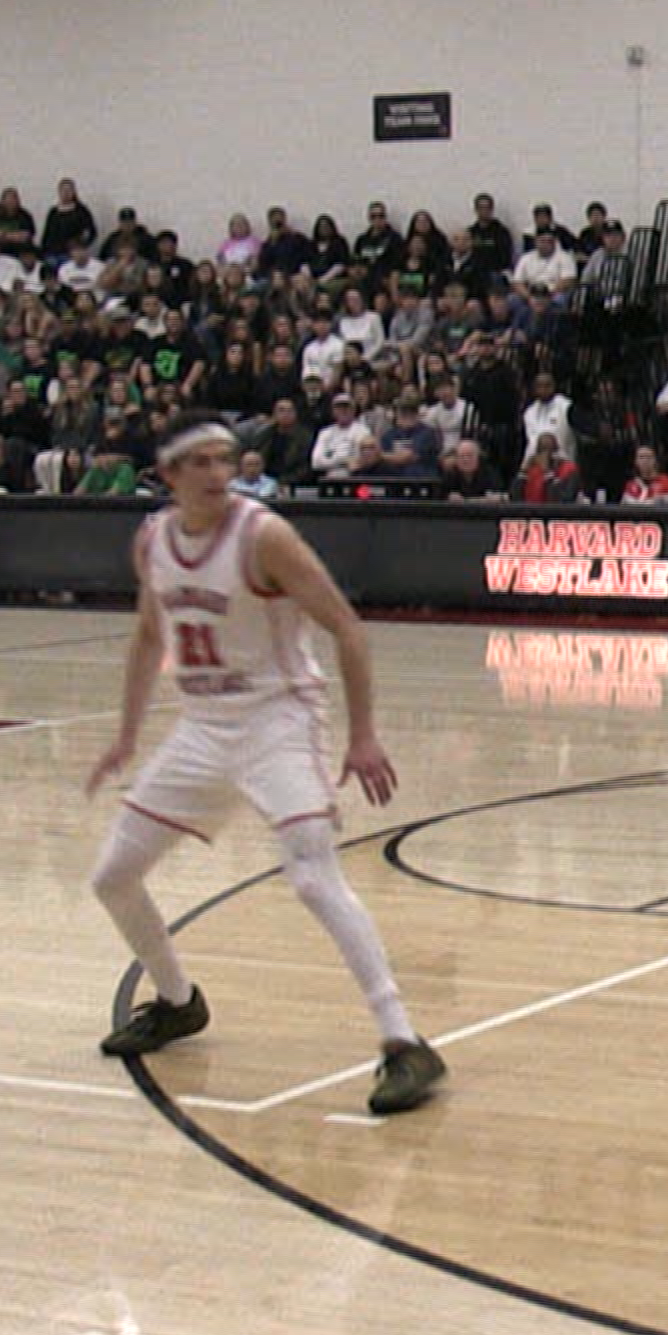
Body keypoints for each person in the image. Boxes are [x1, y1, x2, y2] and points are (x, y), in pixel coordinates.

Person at [82, 421, 443, 1116]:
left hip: (278, 721)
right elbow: (149, 634)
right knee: (112, 877)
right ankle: (179, 1002)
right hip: (202, 728)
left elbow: (346, 625)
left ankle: (404, 1041)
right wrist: (126, 736)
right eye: (200, 463)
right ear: (168, 474)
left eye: (225, 459)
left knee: (311, 875)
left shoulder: (263, 535)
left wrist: (362, 734)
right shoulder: (152, 540)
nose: (218, 473)